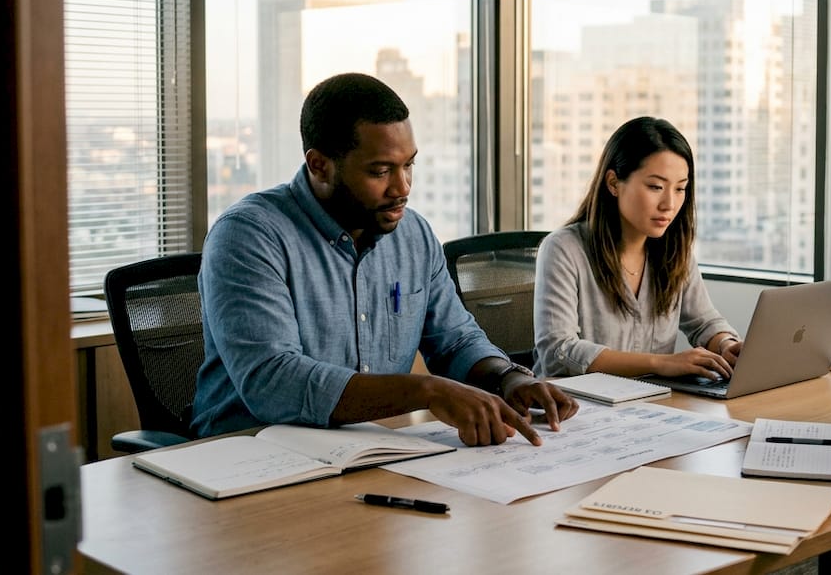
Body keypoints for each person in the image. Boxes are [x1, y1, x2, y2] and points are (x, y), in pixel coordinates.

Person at [191, 72, 578, 446]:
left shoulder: (414, 235)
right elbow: (273, 383)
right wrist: (427, 390)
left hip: (369, 449)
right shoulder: (248, 236)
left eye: (408, 165)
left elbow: (456, 341)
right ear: (319, 165)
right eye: (381, 171)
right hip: (247, 454)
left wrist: (508, 378)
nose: (402, 187)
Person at [533, 116, 742, 379]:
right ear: (613, 183)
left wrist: (726, 345)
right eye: (655, 187)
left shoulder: (674, 250)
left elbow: (704, 323)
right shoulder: (563, 249)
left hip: (650, 406)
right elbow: (558, 352)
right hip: (576, 408)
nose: (669, 204)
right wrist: (660, 363)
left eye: (680, 189)